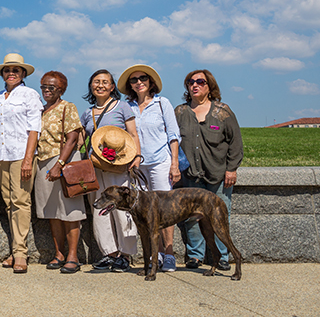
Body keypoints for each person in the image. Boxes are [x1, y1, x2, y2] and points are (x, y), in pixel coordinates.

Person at [175, 69, 243, 272]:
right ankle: (195, 255)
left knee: (220, 216)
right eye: (190, 82)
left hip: (218, 175)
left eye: (200, 82)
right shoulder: (180, 112)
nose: (195, 85)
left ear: (209, 86)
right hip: (191, 176)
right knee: (191, 218)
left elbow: (235, 142)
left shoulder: (222, 112)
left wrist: (231, 169)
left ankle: (221, 256)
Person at [118, 63, 181, 273]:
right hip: (137, 165)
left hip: (160, 162)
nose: (138, 83)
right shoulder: (128, 107)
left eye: (142, 78)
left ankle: (169, 253)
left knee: (165, 209)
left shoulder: (162, 104)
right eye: (134, 80)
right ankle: (156, 254)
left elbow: (173, 135)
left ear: (150, 82)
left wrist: (174, 164)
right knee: (145, 213)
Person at [80, 69, 141, 273]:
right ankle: (110, 254)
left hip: (119, 166)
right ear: (91, 86)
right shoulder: (87, 113)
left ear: (112, 87)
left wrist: (137, 157)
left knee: (123, 210)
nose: (101, 85)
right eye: (96, 81)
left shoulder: (122, 107)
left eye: (105, 82)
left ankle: (125, 254)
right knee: (99, 209)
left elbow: (133, 133)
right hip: (96, 168)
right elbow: (82, 139)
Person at [0, 53, 42, 274]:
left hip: (21, 154)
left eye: (15, 70)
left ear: (23, 74)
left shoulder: (29, 95)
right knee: (9, 203)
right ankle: (15, 249)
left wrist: (29, 159)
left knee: (21, 202)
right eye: (7, 70)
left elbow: (34, 128)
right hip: (1, 154)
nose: (11, 73)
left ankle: (21, 252)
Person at [34, 71, 86, 275]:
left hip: (64, 161)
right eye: (44, 86)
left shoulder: (68, 107)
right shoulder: (39, 110)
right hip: (43, 162)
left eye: (51, 87)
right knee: (52, 212)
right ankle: (59, 253)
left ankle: (73, 256)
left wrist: (60, 164)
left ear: (61, 90)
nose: (47, 90)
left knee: (70, 210)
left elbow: (72, 138)